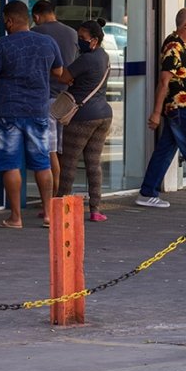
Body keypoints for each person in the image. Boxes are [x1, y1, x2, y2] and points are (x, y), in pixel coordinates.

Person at [0, 0, 64, 229]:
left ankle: (15, 217)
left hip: (7, 111)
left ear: (9, 20)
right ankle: (48, 214)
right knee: (42, 162)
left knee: (10, 163)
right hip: (38, 109)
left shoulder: (1, 45)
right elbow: (58, 72)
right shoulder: (47, 43)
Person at [138, 8, 186, 210]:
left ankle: (147, 192)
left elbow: (183, 77)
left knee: (165, 151)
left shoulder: (183, 45)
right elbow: (164, 81)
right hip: (182, 109)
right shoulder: (174, 46)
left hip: (185, 106)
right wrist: (156, 112)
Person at [54, 20, 113, 222]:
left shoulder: (85, 59)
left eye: (82, 38)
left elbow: (63, 77)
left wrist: (70, 78)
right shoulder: (104, 56)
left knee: (69, 162)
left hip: (82, 116)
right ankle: (95, 209)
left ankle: (60, 207)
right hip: (103, 114)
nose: (79, 42)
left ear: (94, 40)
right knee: (93, 163)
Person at [31, 1, 80, 193]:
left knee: (49, 151)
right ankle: (59, 195)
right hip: (67, 99)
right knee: (60, 150)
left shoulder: (36, 33)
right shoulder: (72, 33)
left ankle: (53, 198)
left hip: (46, 98)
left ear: (36, 17)